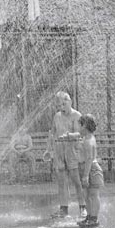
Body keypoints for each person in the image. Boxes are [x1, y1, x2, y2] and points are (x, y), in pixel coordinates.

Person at [44, 91, 86, 220]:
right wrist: (48, 149)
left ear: (70, 101)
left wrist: (68, 136)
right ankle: (63, 209)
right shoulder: (57, 116)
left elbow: (81, 134)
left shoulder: (77, 115)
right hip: (59, 151)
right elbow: (52, 133)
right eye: (59, 105)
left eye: (64, 103)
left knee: (76, 181)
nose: (62, 107)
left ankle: (82, 207)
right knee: (62, 182)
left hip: (72, 151)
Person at [73, 114, 104, 228]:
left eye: (79, 125)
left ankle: (94, 218)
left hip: (92, 169)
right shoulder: (85, 138)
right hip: (86, 168)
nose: (78, 128)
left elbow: (89, 159)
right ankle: (89, 216)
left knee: (93, 194)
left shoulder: (89, 140)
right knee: (87, 195)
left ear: (84, 126)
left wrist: (85, 175)